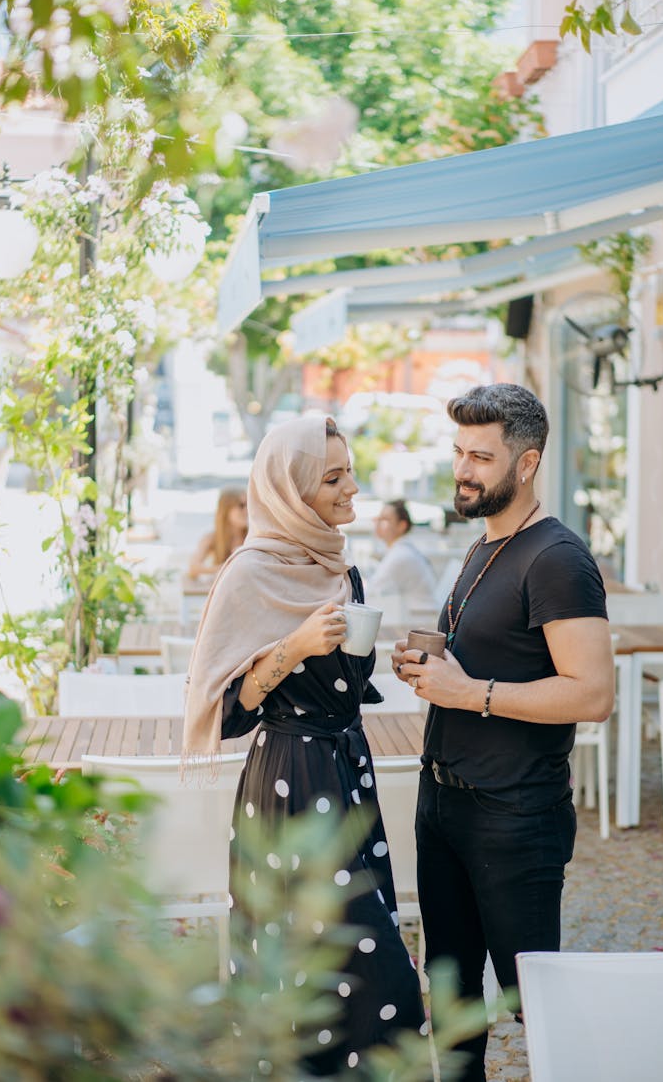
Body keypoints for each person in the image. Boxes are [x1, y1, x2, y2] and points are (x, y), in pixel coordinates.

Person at [183, 416, 424, 1074]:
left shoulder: (342, 570)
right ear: (291, 489)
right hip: (289, 780)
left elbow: (347, 688)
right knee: (347, 969)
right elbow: (225, 713)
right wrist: (292, 648)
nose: (353, 489)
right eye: (334, 476)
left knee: (350, 961)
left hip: (347, 773)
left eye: (350, 472)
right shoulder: (249, 574)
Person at [393, 383, 615, 1082]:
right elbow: (480, 662)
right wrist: (431, 670)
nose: (463, 468)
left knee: (533, 1004)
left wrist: (470, 692)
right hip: (445, 807)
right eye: (459, 451)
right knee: (454, 1003)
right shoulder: (482, 546)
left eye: (481, 456)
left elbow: (595, 692)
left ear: (526, 463)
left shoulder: (557, 557)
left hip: (516, 815)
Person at [366, 499, 438, 614]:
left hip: (419, 619)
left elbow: (372, 592)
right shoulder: (402, 550)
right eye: (378, 519)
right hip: (415, 615)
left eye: (385, 519)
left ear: (402, 526)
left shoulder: (401, 555)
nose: (378, 523)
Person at [186, 486, 248, 579]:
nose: (247, 510)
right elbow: (193, 569)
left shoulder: (254, 536)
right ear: (226, 509)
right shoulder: (212, 538)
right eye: (241, 505)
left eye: (249, 504)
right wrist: (226, 567)